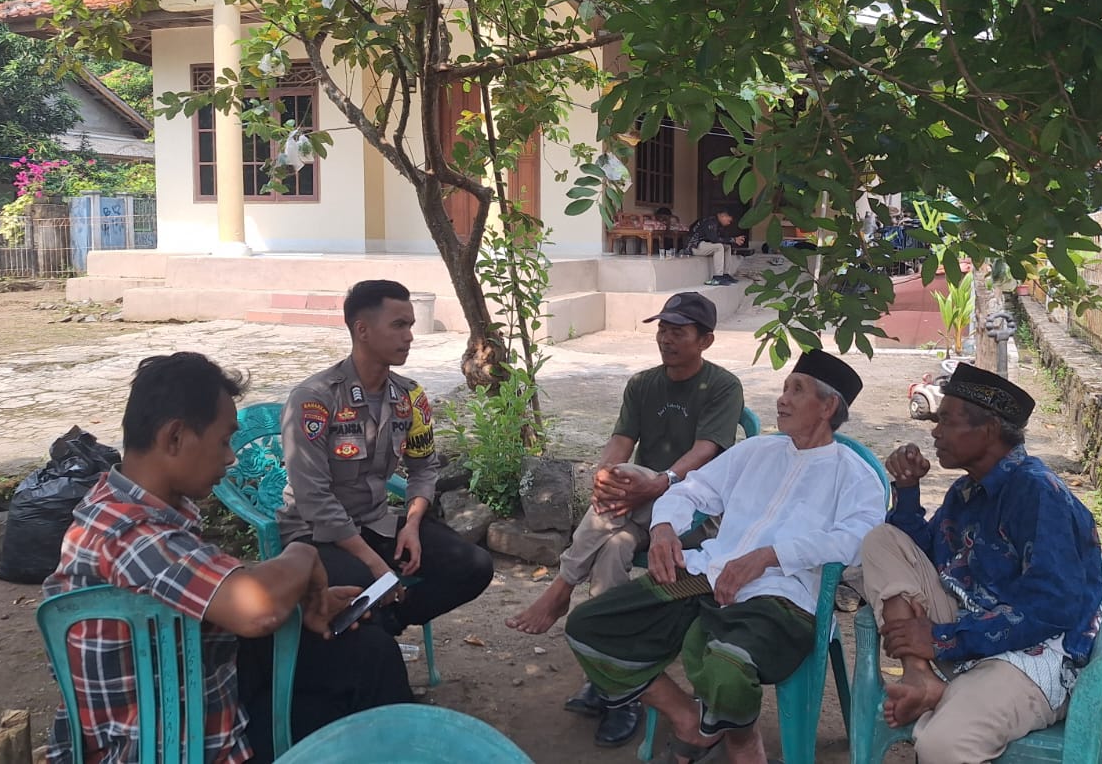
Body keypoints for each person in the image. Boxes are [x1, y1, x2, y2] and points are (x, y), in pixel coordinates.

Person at [44, 352, 411, 764]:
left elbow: (206, 584)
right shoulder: (130, 534)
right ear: (175, 437)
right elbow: (257, 611)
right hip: (167, 744)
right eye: (223, 441)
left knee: (366, 655)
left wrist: (300, 602)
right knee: (362, 682)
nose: (230, 457)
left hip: (196, 689)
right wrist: (303, 552)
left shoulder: (118, 504)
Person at [564, 350, 887, 764]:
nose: (782, 399)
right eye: (784, 388)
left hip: (780, 599)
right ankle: (689, 720)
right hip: (705, 574)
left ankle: (742, 742)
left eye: (797, 390)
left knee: (727, 667)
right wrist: (664, 528)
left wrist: (771, 556)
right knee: (590, 625)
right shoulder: (757, 451)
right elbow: (690, 490)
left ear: (828, 407)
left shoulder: (854, 474)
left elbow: (858, 539)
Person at [505, 291, 745, 746]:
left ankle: (561, 589)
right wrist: (604, 473)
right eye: (663, 330)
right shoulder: (642, 384)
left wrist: (662, 481)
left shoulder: (722, 386)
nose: (666, 339)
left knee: (637, 479)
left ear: (705, 340)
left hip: (694, 510)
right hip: (636, 508)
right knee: (613, 546)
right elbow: (621, 439)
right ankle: (615, 683)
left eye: (678, 332)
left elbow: (706, 451)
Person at [858, 363, 1102, 764]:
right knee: (882, 540)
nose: (935, 432)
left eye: (947, 421)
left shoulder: (1039, 494)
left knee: (944, 745)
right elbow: (924, 554)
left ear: (988, 430)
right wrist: (907, 490)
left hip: (1032, 654)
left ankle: (946, 690)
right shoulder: (966, 490)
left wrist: (943, 638)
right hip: (970, 624)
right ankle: (920, 675)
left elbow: (1052, 609)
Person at [276, 280, 494, 640]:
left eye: (410, 325)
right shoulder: (315, 399)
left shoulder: (409, 397)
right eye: (398, 325)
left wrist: (412, 525)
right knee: (366, 583)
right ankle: (367, 640)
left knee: (473, 565)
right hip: (315, 535)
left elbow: (424, 468)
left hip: (376, 522)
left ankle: (389, 624)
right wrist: (375, 563)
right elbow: (313, 498)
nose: (409, 336)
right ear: (362, 330)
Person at [687, 208, 747, 285]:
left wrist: (733, 240)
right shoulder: (710, 221)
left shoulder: (718, 223)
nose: (729, 223)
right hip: (694, 246)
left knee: (727, 247)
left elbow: (722, 239)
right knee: (719, 247)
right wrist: (733, 239)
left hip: (704, 245)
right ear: (723, 216)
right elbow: (714, 239)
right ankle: (717, 277)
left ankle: (725, 274)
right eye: (729, 221)